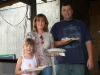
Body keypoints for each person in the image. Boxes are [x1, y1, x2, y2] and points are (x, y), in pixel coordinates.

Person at [50, 3, 94, 75]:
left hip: (78, 62)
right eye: (64, 10)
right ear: (61, 12)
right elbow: (51, 43)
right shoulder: (56, 26)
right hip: (61, 62)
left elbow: (88, 40)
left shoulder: (81, 24)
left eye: (68, 10)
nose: (66, 12)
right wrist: (62, 43)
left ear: (72, 11)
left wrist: (91, 58)